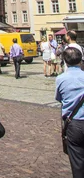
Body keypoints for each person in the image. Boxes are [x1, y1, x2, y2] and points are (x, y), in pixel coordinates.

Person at [55, 47, 84, 178]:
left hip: (74, 124)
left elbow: (59, 98)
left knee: (77, 162)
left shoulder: (61, 79)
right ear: (80, 60)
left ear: (65, 61)